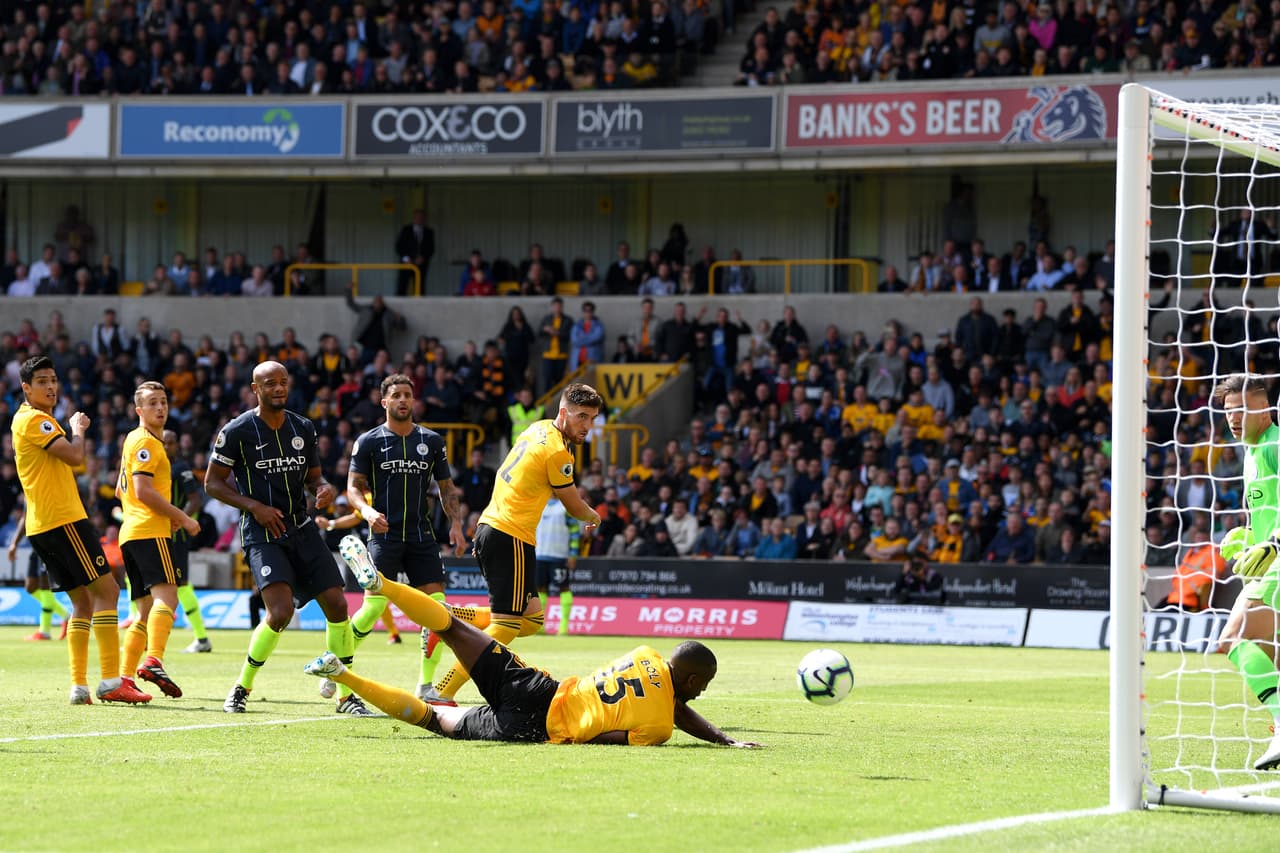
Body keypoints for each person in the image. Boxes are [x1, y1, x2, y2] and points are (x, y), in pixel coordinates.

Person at [309, 535, 760, 748]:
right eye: (704, 684)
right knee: (432, 718)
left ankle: (383, 584)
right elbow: (613, 734)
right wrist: (723, 741)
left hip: (539, 687)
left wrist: (721, 739)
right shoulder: (659, 730)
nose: (703, 692)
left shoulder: (645, 654)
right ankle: (342, 672)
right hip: (532, 728)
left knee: (450, 626)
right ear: (694, 677)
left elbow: (674, 701)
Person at [205, 361, 370, 716]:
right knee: (278, 614)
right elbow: (212, 483)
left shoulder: (303, 427)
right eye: (270, 383)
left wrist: (323, 489)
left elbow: (314, 478)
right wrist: (254, 506)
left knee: (339, 606)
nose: (278, 388)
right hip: (263, 534)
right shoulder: (236, 431)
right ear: (255, 388)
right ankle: (241, 687)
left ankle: (345, 695)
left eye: (283, 382)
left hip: (302, 528)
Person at [427, 383, 604, 706]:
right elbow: (574, 506)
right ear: (563, 412)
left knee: (532, 620)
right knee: (506, 626)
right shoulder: (557, 452)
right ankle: (443, 690)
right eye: (581, 416)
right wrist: (594, 515)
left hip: (496, 527)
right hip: (510, 534)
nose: (587, 426)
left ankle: (449, 617)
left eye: (592, 418)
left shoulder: (538, 429)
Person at [12, 356, 148, 705]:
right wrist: (80, 429)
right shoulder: (36, 421)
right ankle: (111, 681)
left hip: (41, 524)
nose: (51, 386)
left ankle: (78, 686)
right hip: (63, 520)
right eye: (42, 381)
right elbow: (77, 458)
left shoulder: (25, 421)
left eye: (53, 379)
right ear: (26, 388)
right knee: (108, 590)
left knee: (82, 601)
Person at [344, 374, 466, 700]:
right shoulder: (369, 441)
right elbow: (353, 488)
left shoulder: (432, 441)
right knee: (372, 610)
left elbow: (446, 488)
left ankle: (426, 685)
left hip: (421, 536)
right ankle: (338, 665)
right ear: (384, 402)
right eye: (396, 395)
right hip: (384, 536)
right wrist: (367, 513)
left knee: (438, 610)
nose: (403, 400)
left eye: (408, 395)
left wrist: (456, 524)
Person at [1209, 375, 1280, 770]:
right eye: (1227, 411)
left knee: (1232, 639)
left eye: (1241, 409)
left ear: (1263, 407)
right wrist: (1247, 536)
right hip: (1269, 562)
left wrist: (1274, 543)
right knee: (1274, 658)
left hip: (1278, 563)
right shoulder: (1251, 454)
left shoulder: (1274, 446)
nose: (1233, 418)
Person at [114, 383, 202, 699]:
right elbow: (143, 491)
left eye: (163, 402)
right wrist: (183, 517)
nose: (160, 408)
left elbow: (119, 490)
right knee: (169, 599)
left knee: (143, 611)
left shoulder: (133, 441)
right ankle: (154, 660)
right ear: (139, 411)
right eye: (152, 403)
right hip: (151, 530)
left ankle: (122, 679)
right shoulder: (148, 443)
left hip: (131, 533)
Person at [163, 429, 213, 653]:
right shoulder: (154, 467)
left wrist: (178, 520)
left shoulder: (180, 469)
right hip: (158, 534)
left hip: (176, 536)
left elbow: (194, 501)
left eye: (171, 443)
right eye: (163, 443)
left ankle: (202, 639)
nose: (167, 447)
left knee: (180, 586)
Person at [7, 513, 69, 642]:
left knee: (44, 585)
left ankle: (44, 631)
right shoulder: (27, 495)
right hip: (36, 544)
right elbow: (25, 518)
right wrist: (14, 544)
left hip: (48, 542)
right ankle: (66, 615)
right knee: (31, 587)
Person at [535, 495, 579, 636]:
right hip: (539, 554)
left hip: (559, 556)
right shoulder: (538, 504)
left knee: (564, 588)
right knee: (540, 590)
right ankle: (540, 626)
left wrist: (573, 554)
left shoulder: (565, 507)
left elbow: (575, 532)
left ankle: (564, 626)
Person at [395, 208, 435, 296]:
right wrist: (406, 258)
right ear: (414, 218)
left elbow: (431, 249)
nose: (419, 219)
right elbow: (399, 247)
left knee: (420, 287)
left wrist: (423, 258)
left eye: (421, 217)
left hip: (421, 265)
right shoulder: (406, 230)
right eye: (417, 217)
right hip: (406, 264)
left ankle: (420, 305)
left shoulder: (429, 232)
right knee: (402, 286)